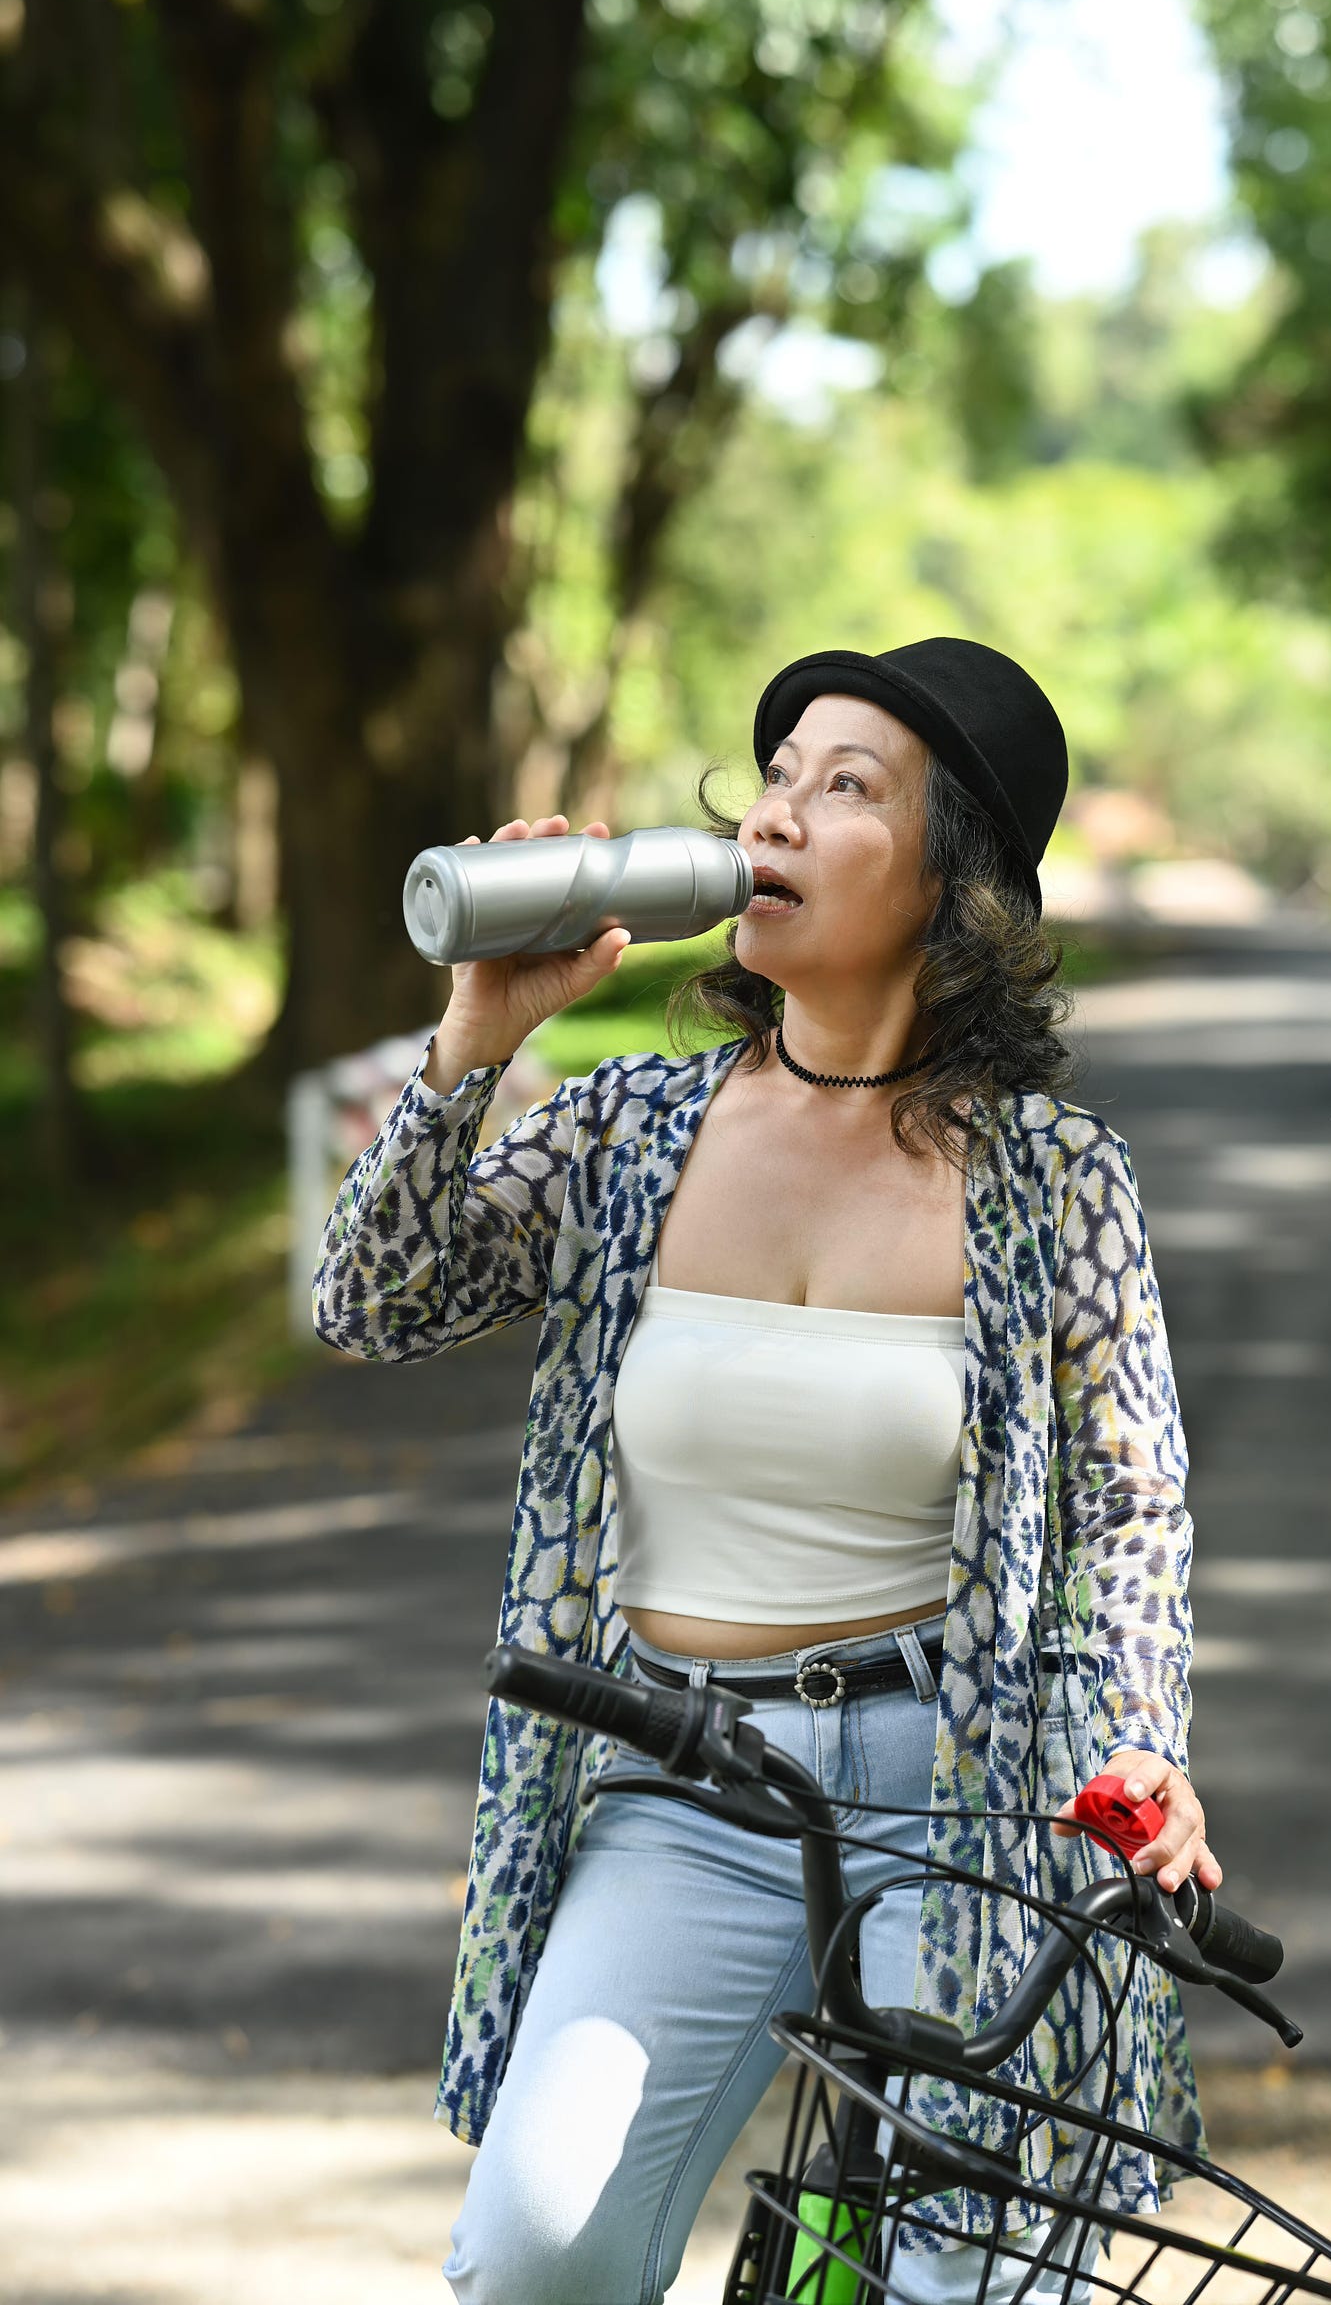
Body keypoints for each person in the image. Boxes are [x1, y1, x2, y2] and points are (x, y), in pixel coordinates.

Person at [313, 637, 1219, 2305]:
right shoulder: (635, 1128)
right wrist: (473, 1041)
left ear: (956, 887)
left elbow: (1129, 1510)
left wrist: (1139, 1753)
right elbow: (368, 1302)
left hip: (966, 1783)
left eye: (849, 786)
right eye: (779, 774)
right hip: (688, 1784)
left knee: (975, 2281)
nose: (782, 813)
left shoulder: (1053, 1181)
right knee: (537, 2259)